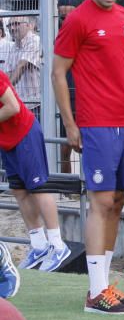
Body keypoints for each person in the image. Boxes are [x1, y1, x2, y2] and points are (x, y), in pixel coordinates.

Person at [52, 0, 124, 315]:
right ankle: (94, 293)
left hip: (123, 123)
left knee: (118, 202)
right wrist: (71, 123)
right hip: (95, 123)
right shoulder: (77, 20)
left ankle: (105, 285)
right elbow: (59, 73)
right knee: (101, 202)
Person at [0, 68, 70, 272]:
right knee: (20, 192)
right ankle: (39, 246)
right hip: (7, 142)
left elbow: (12, 107)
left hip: (24, 134)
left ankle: (58, 246)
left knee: (39, 189)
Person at [56, 0, 79, 175]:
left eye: (69, 17)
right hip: (62, 97)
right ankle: (66, 190)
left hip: (81, 96)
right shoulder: (52, 36)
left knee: (87, 146)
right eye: (62, 17)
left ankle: (89, 189)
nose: (65, 21)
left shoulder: (83, 34)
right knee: (64, 148)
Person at [7, 16, 41, 118]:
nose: (12, 28)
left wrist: (5, 89)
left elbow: (21, 66)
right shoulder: (13, 47)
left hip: (36, 105)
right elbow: (9, 72)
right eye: (10, 25)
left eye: (16, 24)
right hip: (20, 105)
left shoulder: (35, 41)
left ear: (28, 25)